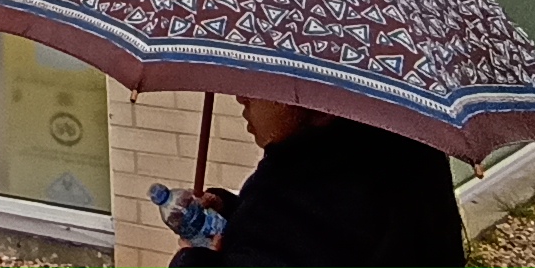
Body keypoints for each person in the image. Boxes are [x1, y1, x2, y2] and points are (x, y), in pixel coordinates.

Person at [167, 96, 464, 268]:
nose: (241, 96)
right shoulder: (400, 148)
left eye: (262, 83)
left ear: (321, 105)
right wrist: (231, 211)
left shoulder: (305, 194)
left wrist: (192, 261)